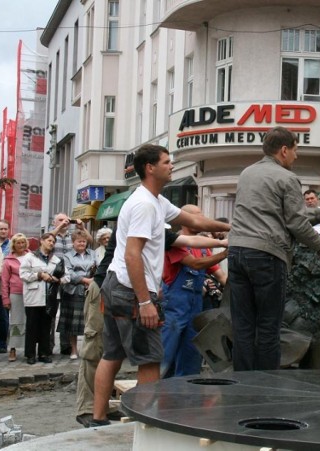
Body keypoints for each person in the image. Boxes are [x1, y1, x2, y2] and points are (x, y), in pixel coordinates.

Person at [92, 144, 231, 427]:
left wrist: (231, 228)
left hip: (116, 284)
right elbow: (133, 254)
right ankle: (148, 423)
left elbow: (191, 220)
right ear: (150, 168)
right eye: (167, 162)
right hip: (131, 290)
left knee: (112, 354)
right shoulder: (144, 204)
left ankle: (98, 418)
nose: (171, 165)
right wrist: (144, 301)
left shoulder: (155, 200)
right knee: (151, 360)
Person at [75, 225, 226, 428]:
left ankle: (100, 414)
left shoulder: (150, 220)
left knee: (113, 354)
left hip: (120, 289)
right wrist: (146, 301)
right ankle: (109, 413)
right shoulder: (146, 218)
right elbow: (188, 249)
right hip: (120, 290)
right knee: (141, 357)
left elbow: (195, 241)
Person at [228, 126, 320, 371]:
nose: (297, 156)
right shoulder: (287, 178)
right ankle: (267, 386)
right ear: (284, 150)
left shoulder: (246, 173)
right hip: (267, 254)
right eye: (296, 150)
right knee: (268, 326)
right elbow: (296, 222)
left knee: (243, 326)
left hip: (237, 252)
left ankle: (241, 386)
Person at [160, 204, 228, 378]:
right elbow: (195, 264)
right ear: (184, 220)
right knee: (166, 353)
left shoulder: (204, 248)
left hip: (195, 306)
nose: (201, 221)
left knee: (192, 352)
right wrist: (225, 252)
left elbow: (221, 276)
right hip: (175, 305)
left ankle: (185, 394)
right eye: (196, 217)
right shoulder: (174, 242)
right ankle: (153, 395)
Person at [19, 233, 69, 365]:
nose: (51, 243)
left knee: (46, 327)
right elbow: (23, 274)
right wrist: (39, 275)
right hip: (33, 296)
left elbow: (66, 277)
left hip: (50, 297)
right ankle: (30, 354)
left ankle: (44, 353)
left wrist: (55, 279)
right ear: (42, 241)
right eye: (49, 240)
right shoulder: (30, 257)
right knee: (32, 326)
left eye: (53, 241)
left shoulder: (57, 260)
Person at [51, 213, 91, 356]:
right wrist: (59, 227)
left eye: (65, 220)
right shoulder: (52, 233)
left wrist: (82, 227)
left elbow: (88, 241)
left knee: (69, 314)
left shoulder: (72, 235)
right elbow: (47, 239)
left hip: (71, 281)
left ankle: (66, 346)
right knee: (53, 313)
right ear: (54, 222)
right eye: (60, 220)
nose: (64, 222)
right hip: (54, 276)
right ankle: (49, 346)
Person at [60, 230, 98, 359]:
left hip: (91, 290)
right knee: (73, 323)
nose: (82, 243)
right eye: (79, 241)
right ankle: (74, 350)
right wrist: (85, 280)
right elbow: (68, 273)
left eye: (84, 241)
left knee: (90, 320)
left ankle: (88, 349)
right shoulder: (67, 256)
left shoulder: (93, 254)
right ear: (73, 242)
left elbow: (98, 267)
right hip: (73, 291)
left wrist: (93, 279)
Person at [1, 233, 30, 362]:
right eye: (18, 242)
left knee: (29, 321)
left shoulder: (31, 257)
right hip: (16, 293)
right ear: (14, 244)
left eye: (23, 242)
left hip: (30, 293)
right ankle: (12, 348)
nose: (21, 245)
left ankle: (28, 349)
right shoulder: (8, 260)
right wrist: (5, 299)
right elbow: (4, 281)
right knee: (15, 321)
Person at [0, 220, 11, 354]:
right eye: (1, 229)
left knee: (5, 319)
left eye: (5, 229)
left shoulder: (13, 245)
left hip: (7, 288)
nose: (3, 231)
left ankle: (2, 343)